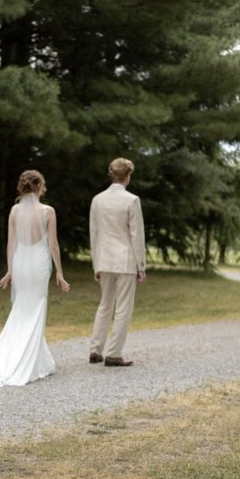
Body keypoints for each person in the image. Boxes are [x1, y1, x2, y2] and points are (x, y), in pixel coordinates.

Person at [0, 170, 70, 387]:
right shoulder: (48, 211)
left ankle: (37, 360)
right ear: (39, 186)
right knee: (36, 308)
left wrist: (11, 269)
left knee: (22, 308)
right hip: (39, 263)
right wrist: (59, 271)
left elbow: (11, 244)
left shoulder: (14, 210)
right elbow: (53, 244)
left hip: (21, 262)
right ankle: (25, 363)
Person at [88, 157, 146, 367]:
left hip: (104, 259)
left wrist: (96, 264)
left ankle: (95, 350)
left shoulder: (97, 200)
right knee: (123, 308)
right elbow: (136, 236)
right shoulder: (132, 200)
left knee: (105, 305)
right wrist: (141, 266)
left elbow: (94, 234)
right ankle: (113, 353)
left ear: (111, 175)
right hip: (125, 260)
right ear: (127, 176)